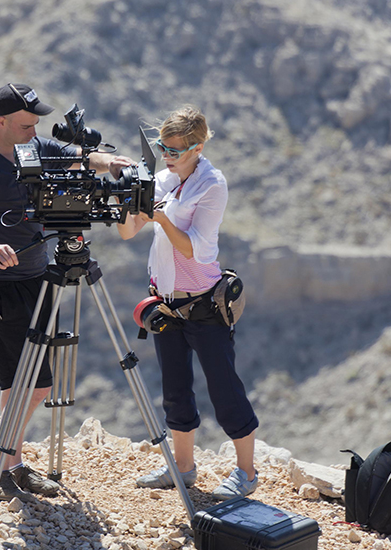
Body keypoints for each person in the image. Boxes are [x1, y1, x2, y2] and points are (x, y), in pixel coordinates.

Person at [0, 83, 133, 501]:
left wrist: (112, 163)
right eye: (26, 124)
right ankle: (0, 463)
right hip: (0, 285)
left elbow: (83, 157)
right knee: (31, 384)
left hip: (39, 276)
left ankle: (10, 464)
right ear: (1, 121)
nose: (34, 131)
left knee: (23, 383)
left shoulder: (34, 147)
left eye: (36, 124)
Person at [116, 105, 259, 501]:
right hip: (166, 301)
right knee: (175, 389)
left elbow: (197, 250)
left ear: (197, 147)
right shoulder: (163, 179)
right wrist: (129, 202)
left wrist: (161, 220)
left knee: (224, 387)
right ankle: (183, 467)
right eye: (162, 146)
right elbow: (127, 233)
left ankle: (247, 471)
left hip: (204, 303)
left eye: (175, 149)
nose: (167, 155)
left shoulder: (212, 184)